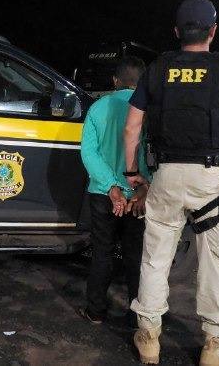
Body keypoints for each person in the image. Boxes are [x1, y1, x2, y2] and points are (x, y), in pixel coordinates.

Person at [123, 0, 219, 365]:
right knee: (214, 260)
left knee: (155, 257)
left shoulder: (156, 70)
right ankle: (214, 345)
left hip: (166, 176)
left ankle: (148, 337)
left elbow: (132, 128)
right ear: (213, 31)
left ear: (176, 32)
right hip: (211, 180)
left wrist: (133, 174)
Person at [78, 56, 150, 325]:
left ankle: (95, 311)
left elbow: (89, 152)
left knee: (102, 253)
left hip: (103, 194)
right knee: (136, 257)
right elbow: (152, 155)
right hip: (137, 196)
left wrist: (111, 186)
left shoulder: (98, 108)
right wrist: (141, 189)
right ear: (142, 82)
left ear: (115, 81)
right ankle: (138, 318)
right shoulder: (148, 110)